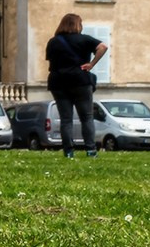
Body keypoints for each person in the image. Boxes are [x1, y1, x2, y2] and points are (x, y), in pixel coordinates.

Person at [45, 13, 108, 158]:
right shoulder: (84, 39)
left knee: (65, 119)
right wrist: (91, 64)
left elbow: (51, 61)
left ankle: (68, 151)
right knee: (86, 117)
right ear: (78, 25)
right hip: (80, 80)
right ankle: (91, 150)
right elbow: (103, 47)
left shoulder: (53, 42)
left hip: (58, 82)